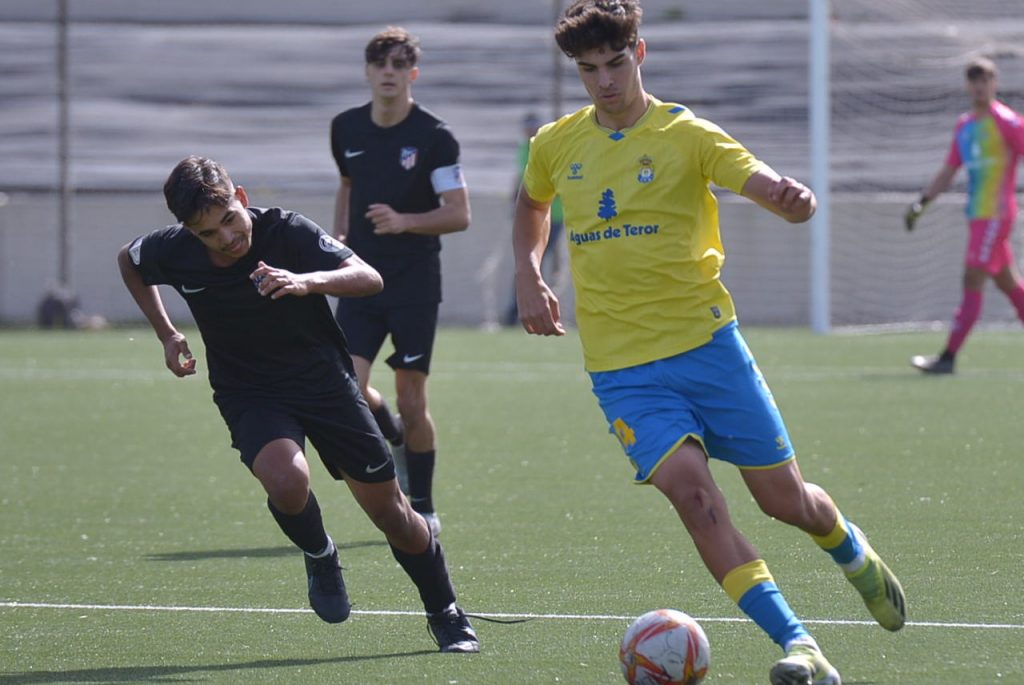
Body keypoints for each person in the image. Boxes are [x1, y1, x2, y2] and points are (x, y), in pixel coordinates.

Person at [512, 3, 905, 684]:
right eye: (588, 69)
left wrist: (790, 199)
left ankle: (849, 549)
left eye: (615, 63)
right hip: (623, 370)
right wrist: (528, 271)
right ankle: (802, 646)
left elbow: (759, 180)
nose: (605, 82)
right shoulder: (556, 143)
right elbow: (532, 203)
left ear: (640, 53)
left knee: (785, 501)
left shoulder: (686, 133)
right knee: (695, 499)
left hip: (709, 348)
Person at [117, 156, 478, 653]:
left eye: (230, 220)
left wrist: (307, 281)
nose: (226, 237)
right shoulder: (172, 249)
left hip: (325, 385)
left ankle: (445, 610)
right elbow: (130, 262)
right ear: (189, 232)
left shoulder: (286, 231)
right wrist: (167, 333)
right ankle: (320, 552)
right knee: (286, 481)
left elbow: (367, 276)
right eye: (208, 233)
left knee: (392, 515)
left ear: (241, 198)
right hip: (249, 391)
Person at [330, 27, 470, 536]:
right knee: (345, 384)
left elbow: (459, 214)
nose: (388, 73)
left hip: (413, 284)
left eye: (398, 65)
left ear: (413, 73)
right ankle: (390, 434)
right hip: (361, 280)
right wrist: (338, 238)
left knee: (413, 398)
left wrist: (405, 221)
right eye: (379, 64)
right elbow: (347, 185)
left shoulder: (435, 136)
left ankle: (424, 506)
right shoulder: (345, 128)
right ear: (368, 72)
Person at [904, 56, 1024, 374]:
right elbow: (949, 170)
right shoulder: (965, 125)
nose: (979, 86)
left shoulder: (1008, 122)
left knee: (972, 278)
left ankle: (948, 357)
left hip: (996, 215)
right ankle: (947, 357)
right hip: (977, 217)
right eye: (974, 80)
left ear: (995, 84)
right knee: (1010, 285)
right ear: (967, 86)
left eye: (985, 80)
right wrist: (921, 203)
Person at [503, 112, 565, 326]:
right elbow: (522, 179)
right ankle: (521, 309)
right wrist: (515, 203)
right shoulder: (525, 149)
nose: (530, 131)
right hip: (534, 215)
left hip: (554, 215)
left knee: (537, 263)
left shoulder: (547, 146)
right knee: (530, 263)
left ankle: (534, 309)